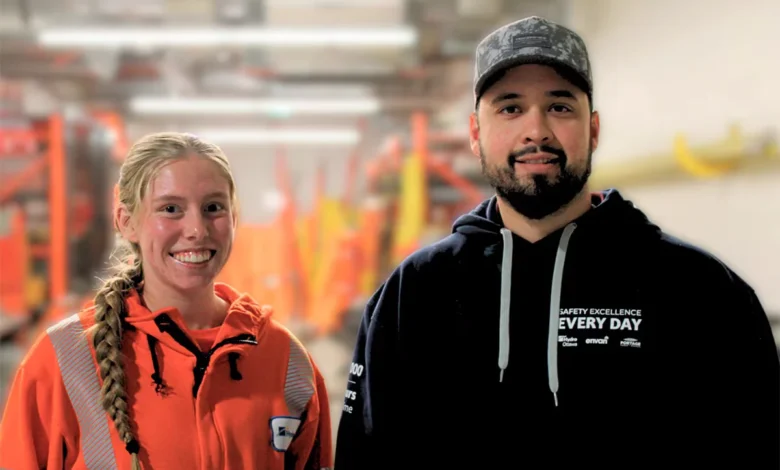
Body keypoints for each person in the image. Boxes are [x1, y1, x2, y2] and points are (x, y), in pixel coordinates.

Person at [334, 16, 780, 470]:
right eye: (510, 108)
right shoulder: (413, 293)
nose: (536, 131)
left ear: (594, 129)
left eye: (560, 107)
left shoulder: (701, 290)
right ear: (475, 133)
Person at [0, 132, 333, 469]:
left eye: (213, 208)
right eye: (171, 209)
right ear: (126, 222)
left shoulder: (286, 360)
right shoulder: (65, 361)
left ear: (234, 219)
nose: (197, 229)